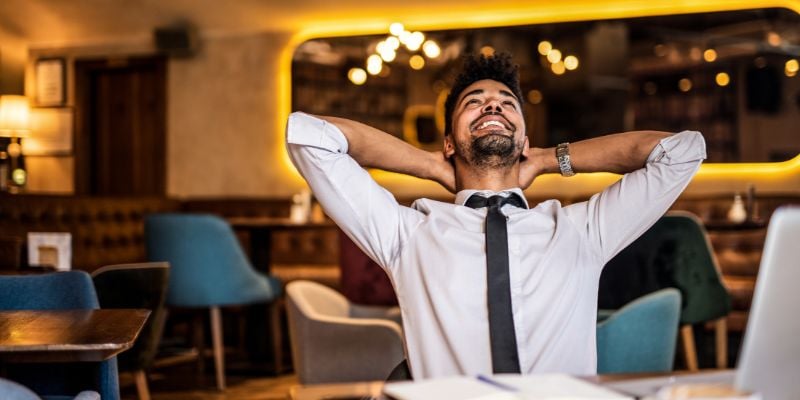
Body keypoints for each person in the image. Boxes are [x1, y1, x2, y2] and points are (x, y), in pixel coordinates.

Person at [285, 53, 706, 379]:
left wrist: (545, 160)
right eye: (475, 102)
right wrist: (431, 166)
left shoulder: (582, 230)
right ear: (450, 141)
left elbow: (681, 152)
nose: (493, 107)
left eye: (507, 104)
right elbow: (309, 138)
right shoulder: (407, 233)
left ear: (523, 139)